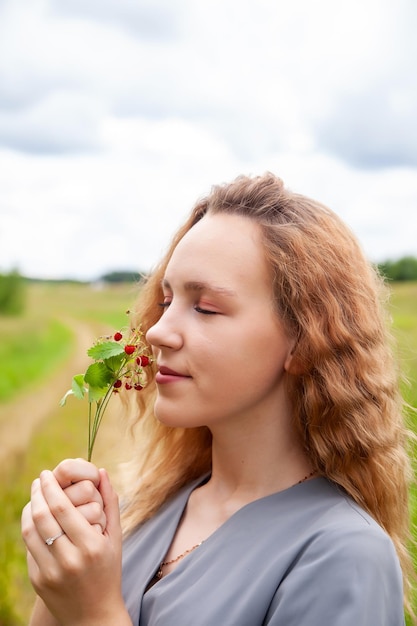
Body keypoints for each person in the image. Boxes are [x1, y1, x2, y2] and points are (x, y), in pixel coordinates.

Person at [22, 173, 415, 625]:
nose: (156, 330)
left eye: (205, 307)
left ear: (305, 343)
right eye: (166, 301)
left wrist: (92, 612)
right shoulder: (141, 512)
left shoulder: (343, 556)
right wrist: (59, 587)